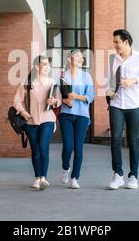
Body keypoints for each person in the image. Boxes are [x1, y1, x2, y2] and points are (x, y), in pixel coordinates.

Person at [106, 29, 139, 190]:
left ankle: (133, 176)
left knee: (133, 140)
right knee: (115, 139)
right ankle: (118, 175)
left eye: (117, 42)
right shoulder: (113, 59)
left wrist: (134, 80)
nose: (114, 45)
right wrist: (109, 91)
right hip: (116, 104)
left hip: (134, 105)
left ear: (126, 42)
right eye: (114, 42)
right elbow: (109, 81)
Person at [13, 55, 62, 190]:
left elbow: (59, 100)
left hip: (48, 119)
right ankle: (37, 178)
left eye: (48, 65)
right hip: (31, 121)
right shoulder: (27, 82)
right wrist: (22, 112)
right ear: (37, 66)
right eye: (45, 64)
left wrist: (54, 102)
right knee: (35, 149)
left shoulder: (52, 82)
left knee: (43, 147)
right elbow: (16, 100)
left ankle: (43, 178)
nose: (48, 67)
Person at [59, 50, 95, 189]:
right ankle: (65, 168)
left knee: (78, 148)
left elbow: (91, 96)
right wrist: (65, 101)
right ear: (69, 59)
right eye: (78, 56)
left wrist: (76, 97)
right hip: (66, 114)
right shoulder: (62, 76)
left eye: (82, 57)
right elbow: (56, 95)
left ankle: (75, 178)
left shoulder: (86, 76)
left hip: (82, 116)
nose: (81, 58)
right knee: (68, 146)